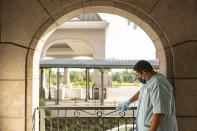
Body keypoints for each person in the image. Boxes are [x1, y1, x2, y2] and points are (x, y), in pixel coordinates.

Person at [116, 60, 178, 131]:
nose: (138, 78)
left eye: (138, 75)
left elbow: (159, 113)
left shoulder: (158, 84)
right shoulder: (149, 82)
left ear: (144, 72)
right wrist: (128, 101)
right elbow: (142, 92)